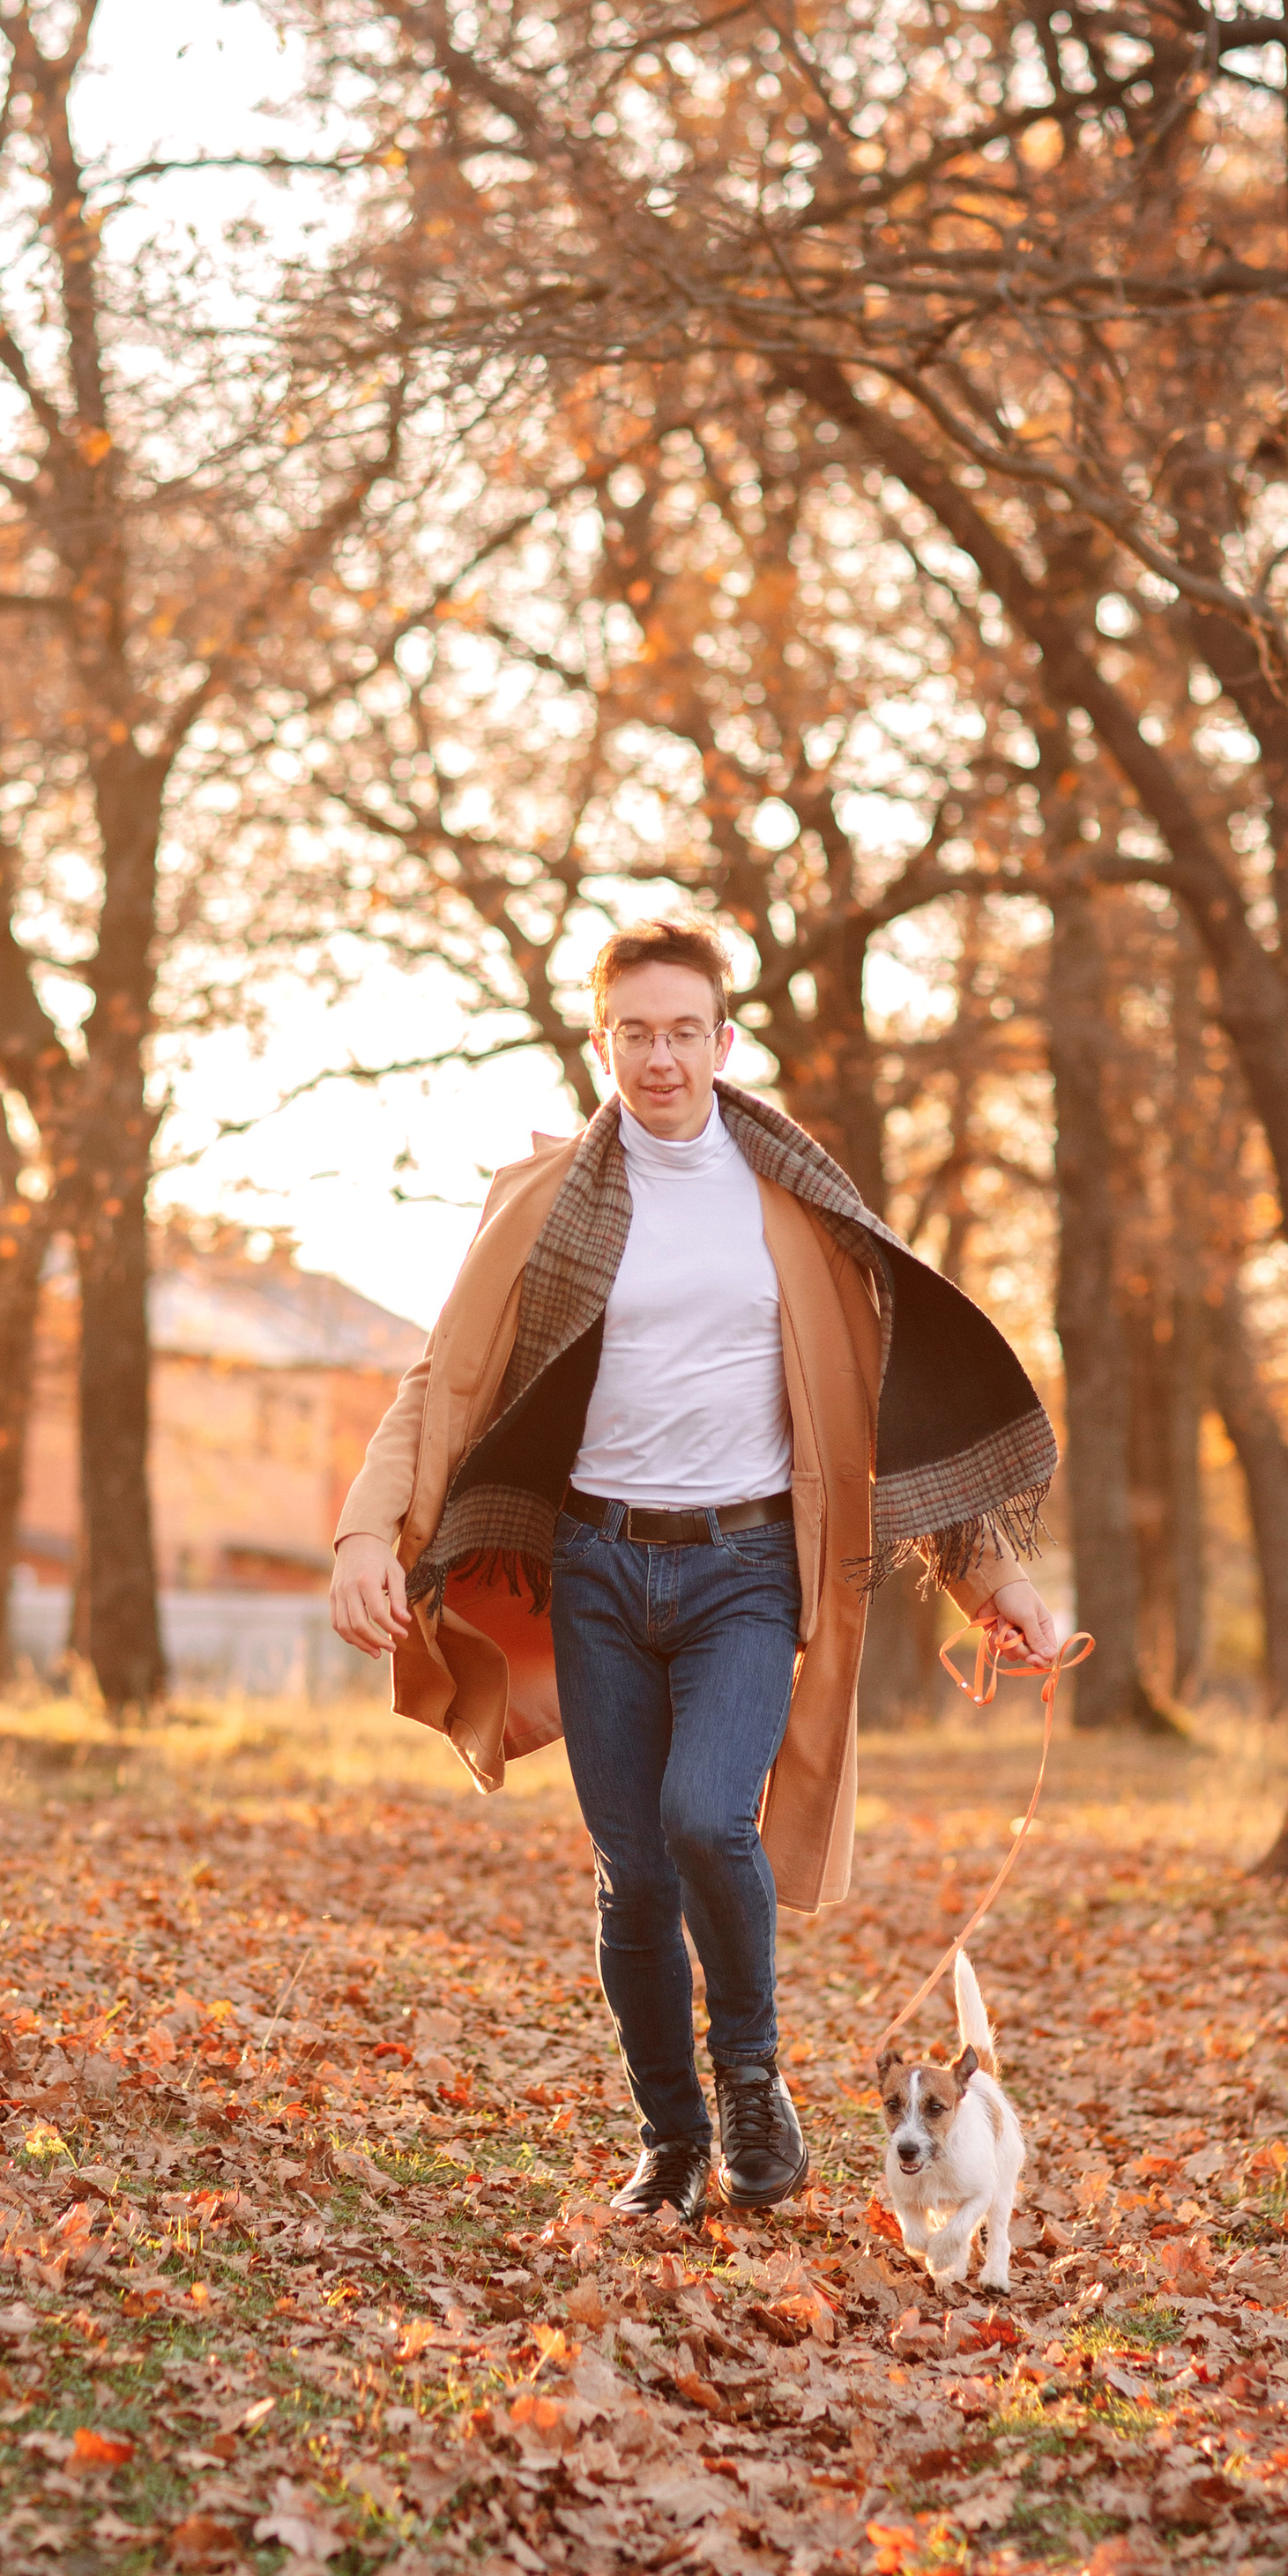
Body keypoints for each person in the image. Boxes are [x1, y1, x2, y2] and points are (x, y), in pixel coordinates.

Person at [330, 919, 1068, 2226]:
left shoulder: (790, 1198)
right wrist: (360, 1537)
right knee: (635, 1870)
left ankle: (751, 2085)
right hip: (596, 1568)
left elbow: (874, 1407)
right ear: (600, 1043)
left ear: (724, 1044)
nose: (660, 1057)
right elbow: (438, 1382)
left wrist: (991, 1578)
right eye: (635, 1033)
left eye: (684, 1031)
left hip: (745, 1569)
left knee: (704, 1818)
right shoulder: (546, 1203)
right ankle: (672, 2145)